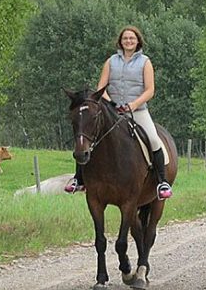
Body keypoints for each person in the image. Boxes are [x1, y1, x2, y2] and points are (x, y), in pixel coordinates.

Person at [64, 26, 173, 200]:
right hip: (112, 110)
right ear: (120, 42)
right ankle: (79, 178)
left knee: (153, 139)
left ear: (138, 41)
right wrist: (112, 104)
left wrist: (133, 105)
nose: (128, 41)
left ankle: (162, 181)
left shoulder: (145, 62)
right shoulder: (111, 61)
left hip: (137, 110)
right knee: (87, 135)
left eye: (132, 38)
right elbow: (101, 87)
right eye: (125, 39)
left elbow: (150, 90)